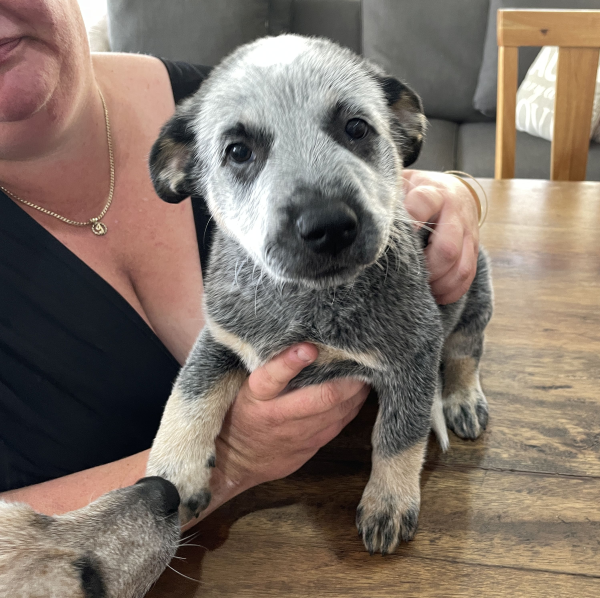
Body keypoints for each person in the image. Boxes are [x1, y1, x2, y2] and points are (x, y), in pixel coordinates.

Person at [0, 0, 480, 520]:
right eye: (240, 153)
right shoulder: (202, 132)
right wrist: (237, 458)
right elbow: (221, 350)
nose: (320, 217)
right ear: (184, 171)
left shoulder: (235, 87)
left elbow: (406, 176)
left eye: (356, 129)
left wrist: (458, 193)